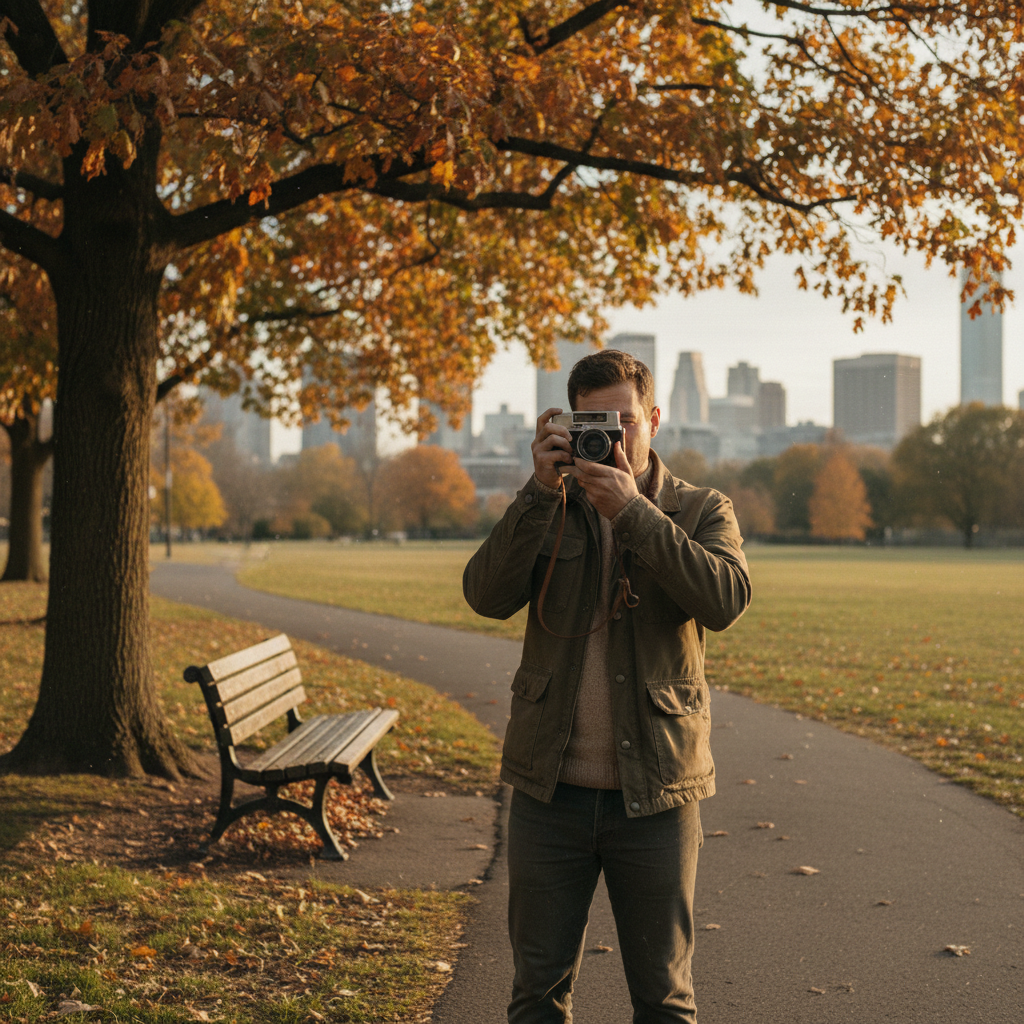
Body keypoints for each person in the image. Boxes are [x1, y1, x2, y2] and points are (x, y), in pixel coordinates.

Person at [463, 349, 751, 1023]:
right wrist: (536, 493)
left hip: (655, 794)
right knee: (536, 996)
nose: (611, 437)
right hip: (548, 790)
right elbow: (484, 595)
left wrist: (632, 513)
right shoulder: (548, 505)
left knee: (663, 1000)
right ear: (568, 422)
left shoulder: (702, 508)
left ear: (653, 418)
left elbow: (726, 599)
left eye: (624, 420)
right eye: (596, 422)